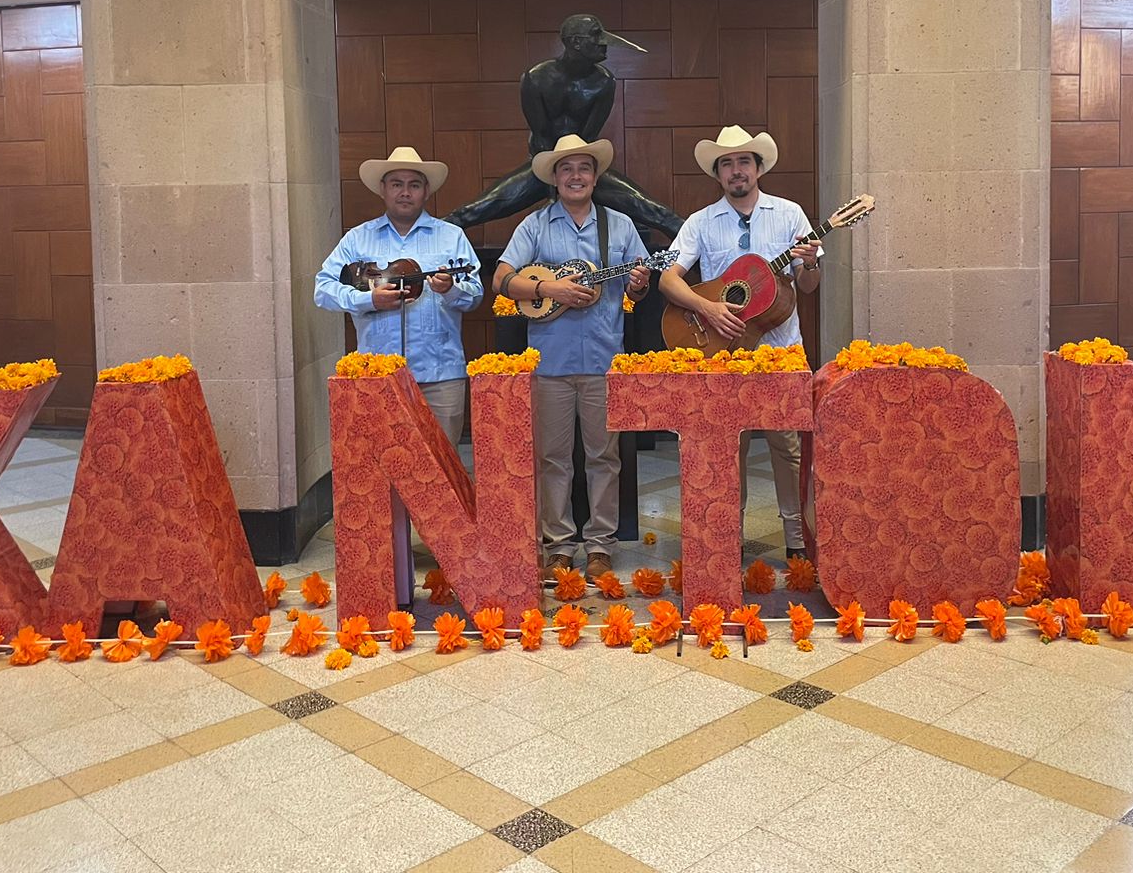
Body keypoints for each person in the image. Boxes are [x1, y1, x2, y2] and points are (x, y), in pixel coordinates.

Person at [314, 145, 481, 604]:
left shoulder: (450, 238)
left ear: (426, 190)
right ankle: (390, 557)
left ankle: (448, 554)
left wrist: (450, 290)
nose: (405, 191)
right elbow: (323, 289)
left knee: (443, 464)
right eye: (396, 184)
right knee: (383, 467)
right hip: (378, 378)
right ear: (383, 190)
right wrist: (369, 300)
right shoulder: (357, 240)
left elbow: (475, 290)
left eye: (413, 183)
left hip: (441, 370)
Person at [657, 125, 821, 561]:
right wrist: (706, 308)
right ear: (718, 174)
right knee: (729, 448)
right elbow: (668, 277)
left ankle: (797, 542)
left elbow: (807, 285)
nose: (736, 170)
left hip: (780, 349)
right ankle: (729, 539)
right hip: (723, 355)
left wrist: (807, 264)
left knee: (787, 449)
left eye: (743, 161)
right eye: (727, 163)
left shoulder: (790, 215)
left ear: (758, 167)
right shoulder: (700, 222)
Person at [492, 134, 650, 579]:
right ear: (555, 178)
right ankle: (558, 544)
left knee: (605, 457)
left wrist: (637, 282)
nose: (576, 176)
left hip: (604, 360)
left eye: (583, 168)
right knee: (552, 458)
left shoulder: (618, 225)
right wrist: (548, 288)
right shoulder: (535, 226)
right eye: (567, 169)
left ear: (595, 176)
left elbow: (637, 288)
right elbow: (502, 279)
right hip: (550, 363)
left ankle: (600, 544)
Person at [446, 14, 683, 239]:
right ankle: (418, 253)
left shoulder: (604, 82)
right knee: (469, 213)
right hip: (542, 164)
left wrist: (577, 180)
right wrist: (556, 194)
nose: (605, 44)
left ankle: (706, 265)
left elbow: (587, 139)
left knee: (660, 215)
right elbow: (541, 137)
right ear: (576, 42)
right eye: (596, 36)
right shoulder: (536, 78)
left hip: (582, 167)